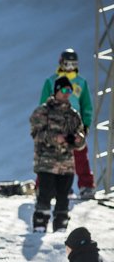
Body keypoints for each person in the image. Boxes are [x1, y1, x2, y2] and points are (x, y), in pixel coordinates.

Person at [30, 76, 86, 233]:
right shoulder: (43, 112)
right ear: (56, 91)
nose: (67, 94)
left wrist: (78, 139)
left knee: (63, 197)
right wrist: (55, 138)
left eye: (70, 90)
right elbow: (36, 135)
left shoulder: (73, 115)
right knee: (45, 195)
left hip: (66, 165)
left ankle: (61, 227)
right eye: (64, 90)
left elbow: (81, 142)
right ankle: (40, 225)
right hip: (46, 163)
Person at [41, 49, 97, 199]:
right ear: (61, 63)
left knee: (80, 154)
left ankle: (86, 185)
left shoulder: (80, 82)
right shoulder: (51, 81)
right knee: (51, 154)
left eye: (73, 64)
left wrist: (85, 125)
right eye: (67, 63)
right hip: (55, 123)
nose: (70, 67)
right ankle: (45, 186)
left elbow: (86, 106)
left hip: (74, 123)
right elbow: (43, 104)